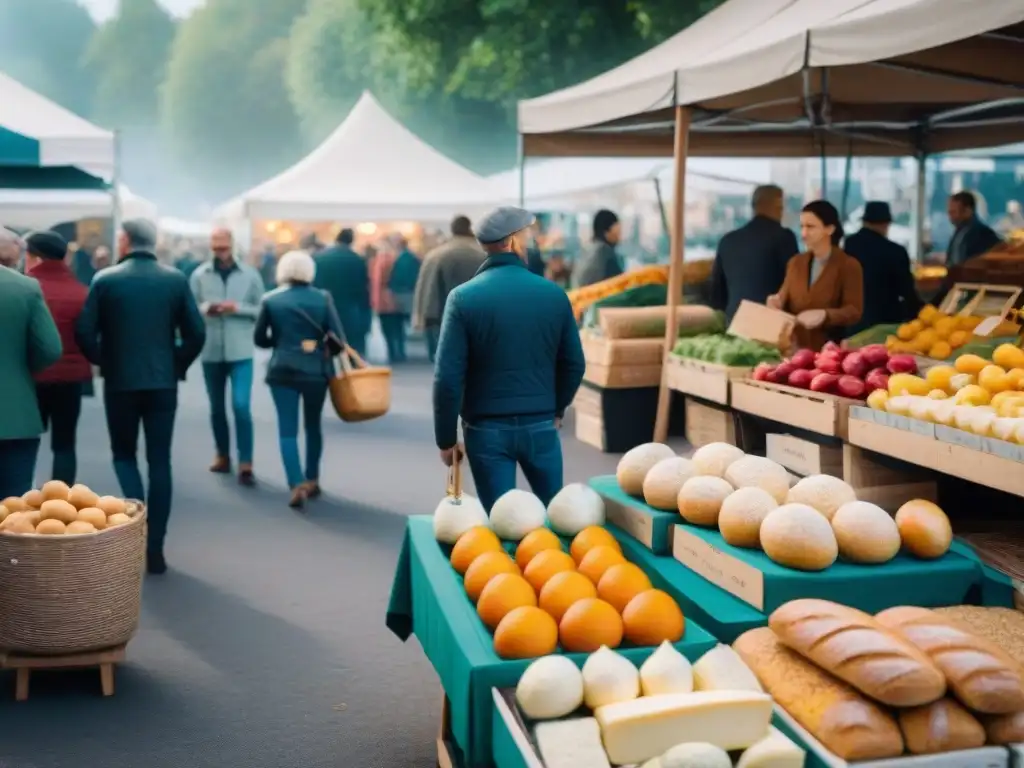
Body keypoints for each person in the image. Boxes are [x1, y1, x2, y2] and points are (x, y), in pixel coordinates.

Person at [433, 206, 586, 513]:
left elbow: (447, 378)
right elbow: (574, 363)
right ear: (513, 242)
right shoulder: (553, 294)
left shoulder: (463, 298)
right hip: (541, 424)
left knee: (501, 521)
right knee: (554, 516)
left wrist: (446, 439)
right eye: (526, 236)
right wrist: (557, 408)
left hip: (485, 430)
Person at [75, 219, 206, 575]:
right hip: (162, 381)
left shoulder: (106, 280)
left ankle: (136, 526)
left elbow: (84, 331)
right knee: (160, 461)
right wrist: (175, 362)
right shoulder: (175, 279)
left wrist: (107, 360)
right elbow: (196, 333)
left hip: (120, 382)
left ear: (125, 239)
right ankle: (157, 546)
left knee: (123, 455)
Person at [254, 250, 345, 510]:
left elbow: (260, 339)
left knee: (287, 429)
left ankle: (295, 484)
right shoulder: (323, 298)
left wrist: (281, 342)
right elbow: (338, 341)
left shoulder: (270, 300)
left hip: (282, 369)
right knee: (313, 426)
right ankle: (312, 478)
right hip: (316, 371)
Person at [189, 228, 265, 484]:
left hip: (241, 348)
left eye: (223, 247)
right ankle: (222, 454)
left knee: (241, 406)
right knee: (216, 408)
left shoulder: (250, 275)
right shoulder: (199, 275)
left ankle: (246, 460)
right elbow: (189, 307)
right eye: (215, 247)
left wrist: (238, 308)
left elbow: (260, 309)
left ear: (232, 246)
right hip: (211, 348)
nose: (220, 251)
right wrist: (205, 308)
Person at [25, 232, 92, 485]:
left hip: (30, 377)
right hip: (70, 378)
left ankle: (20, 502)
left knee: (24, 442)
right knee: (64, 444)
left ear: (34, 256)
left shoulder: (25, 287)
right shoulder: (81, 291)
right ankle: (62, 501)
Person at [0, 244, 62, 497]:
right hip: (16, 414)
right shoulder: (25, 287)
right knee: (13, 509)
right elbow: (50, 349)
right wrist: (21, 370)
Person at [767, 200, 864, 350]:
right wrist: (775, 302)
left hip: (829, 353)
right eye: (802, 227)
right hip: (792, 350)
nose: (804, 234)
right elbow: (783, 297)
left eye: (810, 227)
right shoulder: (795, 262)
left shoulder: (849, 265)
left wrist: (825, 315)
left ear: (830, 229)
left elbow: (854, 311)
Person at [710, 184, 800, 323]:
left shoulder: (727, 241)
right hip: (770, 324)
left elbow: (717, 294)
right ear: (779, 205)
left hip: (734, 323)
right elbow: (795, 284)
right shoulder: (784, 237)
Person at [413, 215, 485, 363]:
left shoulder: (436, 255)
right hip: (479, 314)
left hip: (443, 315)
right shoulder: (484, 255)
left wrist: (422, 317)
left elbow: (426, 289)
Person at [843, 201, 921, 335]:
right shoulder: (895, 251)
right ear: (886, 224)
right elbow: (906, 291)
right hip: (884, 323)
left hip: (852, 321)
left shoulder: (849, 245)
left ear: (865, 221)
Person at [314, 228, 370, 358]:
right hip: (350, 309)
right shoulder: (357, 260)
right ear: (351, 241)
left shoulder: (320, 258)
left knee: (327, 346)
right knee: (350, 346)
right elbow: (362, 289)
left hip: (325, 307)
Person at [371, 242, 405, 363]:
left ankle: (393, 353)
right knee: (398, 328)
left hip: (383, 301)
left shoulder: (379, 262)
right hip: (394, 299)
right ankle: (400, 352)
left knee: (388, 329)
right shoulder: (395, 260)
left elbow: (377, 283)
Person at [946, 191, 1001, 265]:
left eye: (954, 212)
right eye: (950, 213)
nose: (951, 217)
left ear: (967, 211)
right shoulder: (958, 233)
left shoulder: (984, 234)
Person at [572, 209, 623, 288]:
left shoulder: (587, 249)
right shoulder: (604, 252)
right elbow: (621, 283)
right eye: (618, 230)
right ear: (606, 231)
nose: (619, 236)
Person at [389, 236, 421, 359]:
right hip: (410, 292)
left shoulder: (400, 259)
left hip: (401, 293)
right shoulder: (413, 258)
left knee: (399, 323)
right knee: (406, 321)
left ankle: (400, 351)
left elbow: (396, 277)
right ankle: (401, 350)